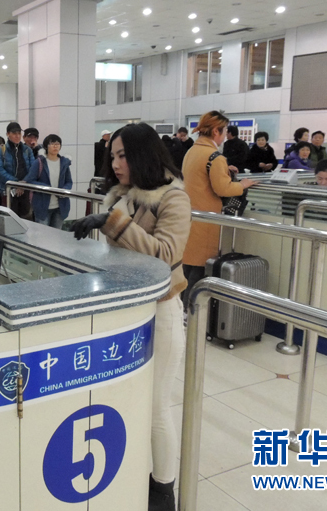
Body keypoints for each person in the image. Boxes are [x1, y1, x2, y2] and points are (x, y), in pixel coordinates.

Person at [69, 122, 191, 511]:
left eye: (122, 156)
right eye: (113, 156)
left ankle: (164, 491)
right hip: (128, 313)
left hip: (162, 310)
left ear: (142, 155)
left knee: (157, 408)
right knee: (132, 402)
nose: (115, 164)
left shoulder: (174, 199)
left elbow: (166, 255)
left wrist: (112, 222)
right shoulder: (124, 196)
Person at [181, 111, 255, 307]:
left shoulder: (192, 151)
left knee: (188, 268)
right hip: (208, 221)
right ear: (216, 131)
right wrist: (243, 185)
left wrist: (224, 170)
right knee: (200, 271)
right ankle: (192, 312)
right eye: (224, 131)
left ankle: (182, 310)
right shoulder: (215, 156)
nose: (224, 135)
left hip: (191, 217)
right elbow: (223, 189)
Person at [23, 134, 73, 229]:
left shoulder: (64, 163)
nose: (55, 146)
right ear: (46, 146)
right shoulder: (39, 162)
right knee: (43, 235)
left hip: (60, 207)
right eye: (52, 144)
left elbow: (69, 181)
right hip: (42, 206)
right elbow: (30, 180)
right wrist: (46, 188)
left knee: (57, 235)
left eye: (58, 144)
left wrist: (64, 190)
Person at [0, 122, 34, 220]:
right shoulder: (0, 150)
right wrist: (16, 183)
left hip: (25, 190)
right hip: (8, 190)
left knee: (26, 219)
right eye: (14, 133)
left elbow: (33, 169)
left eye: (19, 133)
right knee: (9, 219)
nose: (17, 136)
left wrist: (23, 183)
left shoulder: (27, 150)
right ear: (8, 134)